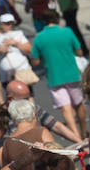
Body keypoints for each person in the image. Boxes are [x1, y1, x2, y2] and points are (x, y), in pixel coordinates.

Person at [31, 10, 86, 138]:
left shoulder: (39, 38)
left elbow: (35, 61)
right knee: (78, 104)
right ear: (57, 19)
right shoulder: (67, 31)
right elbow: (79, 52)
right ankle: (84, 131)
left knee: (65, 108)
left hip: (54, 77)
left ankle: (77, 137)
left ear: (43, 21)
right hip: (72, 74)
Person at [0, 14, 32, 86]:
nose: (10, 25)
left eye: (12, 23)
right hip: (6, 77)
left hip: (22, 73)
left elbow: (29, 50)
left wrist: (16, 43)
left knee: (28, 95)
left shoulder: (19, 34)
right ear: (1, 24)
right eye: (7, 23)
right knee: (11, 97)